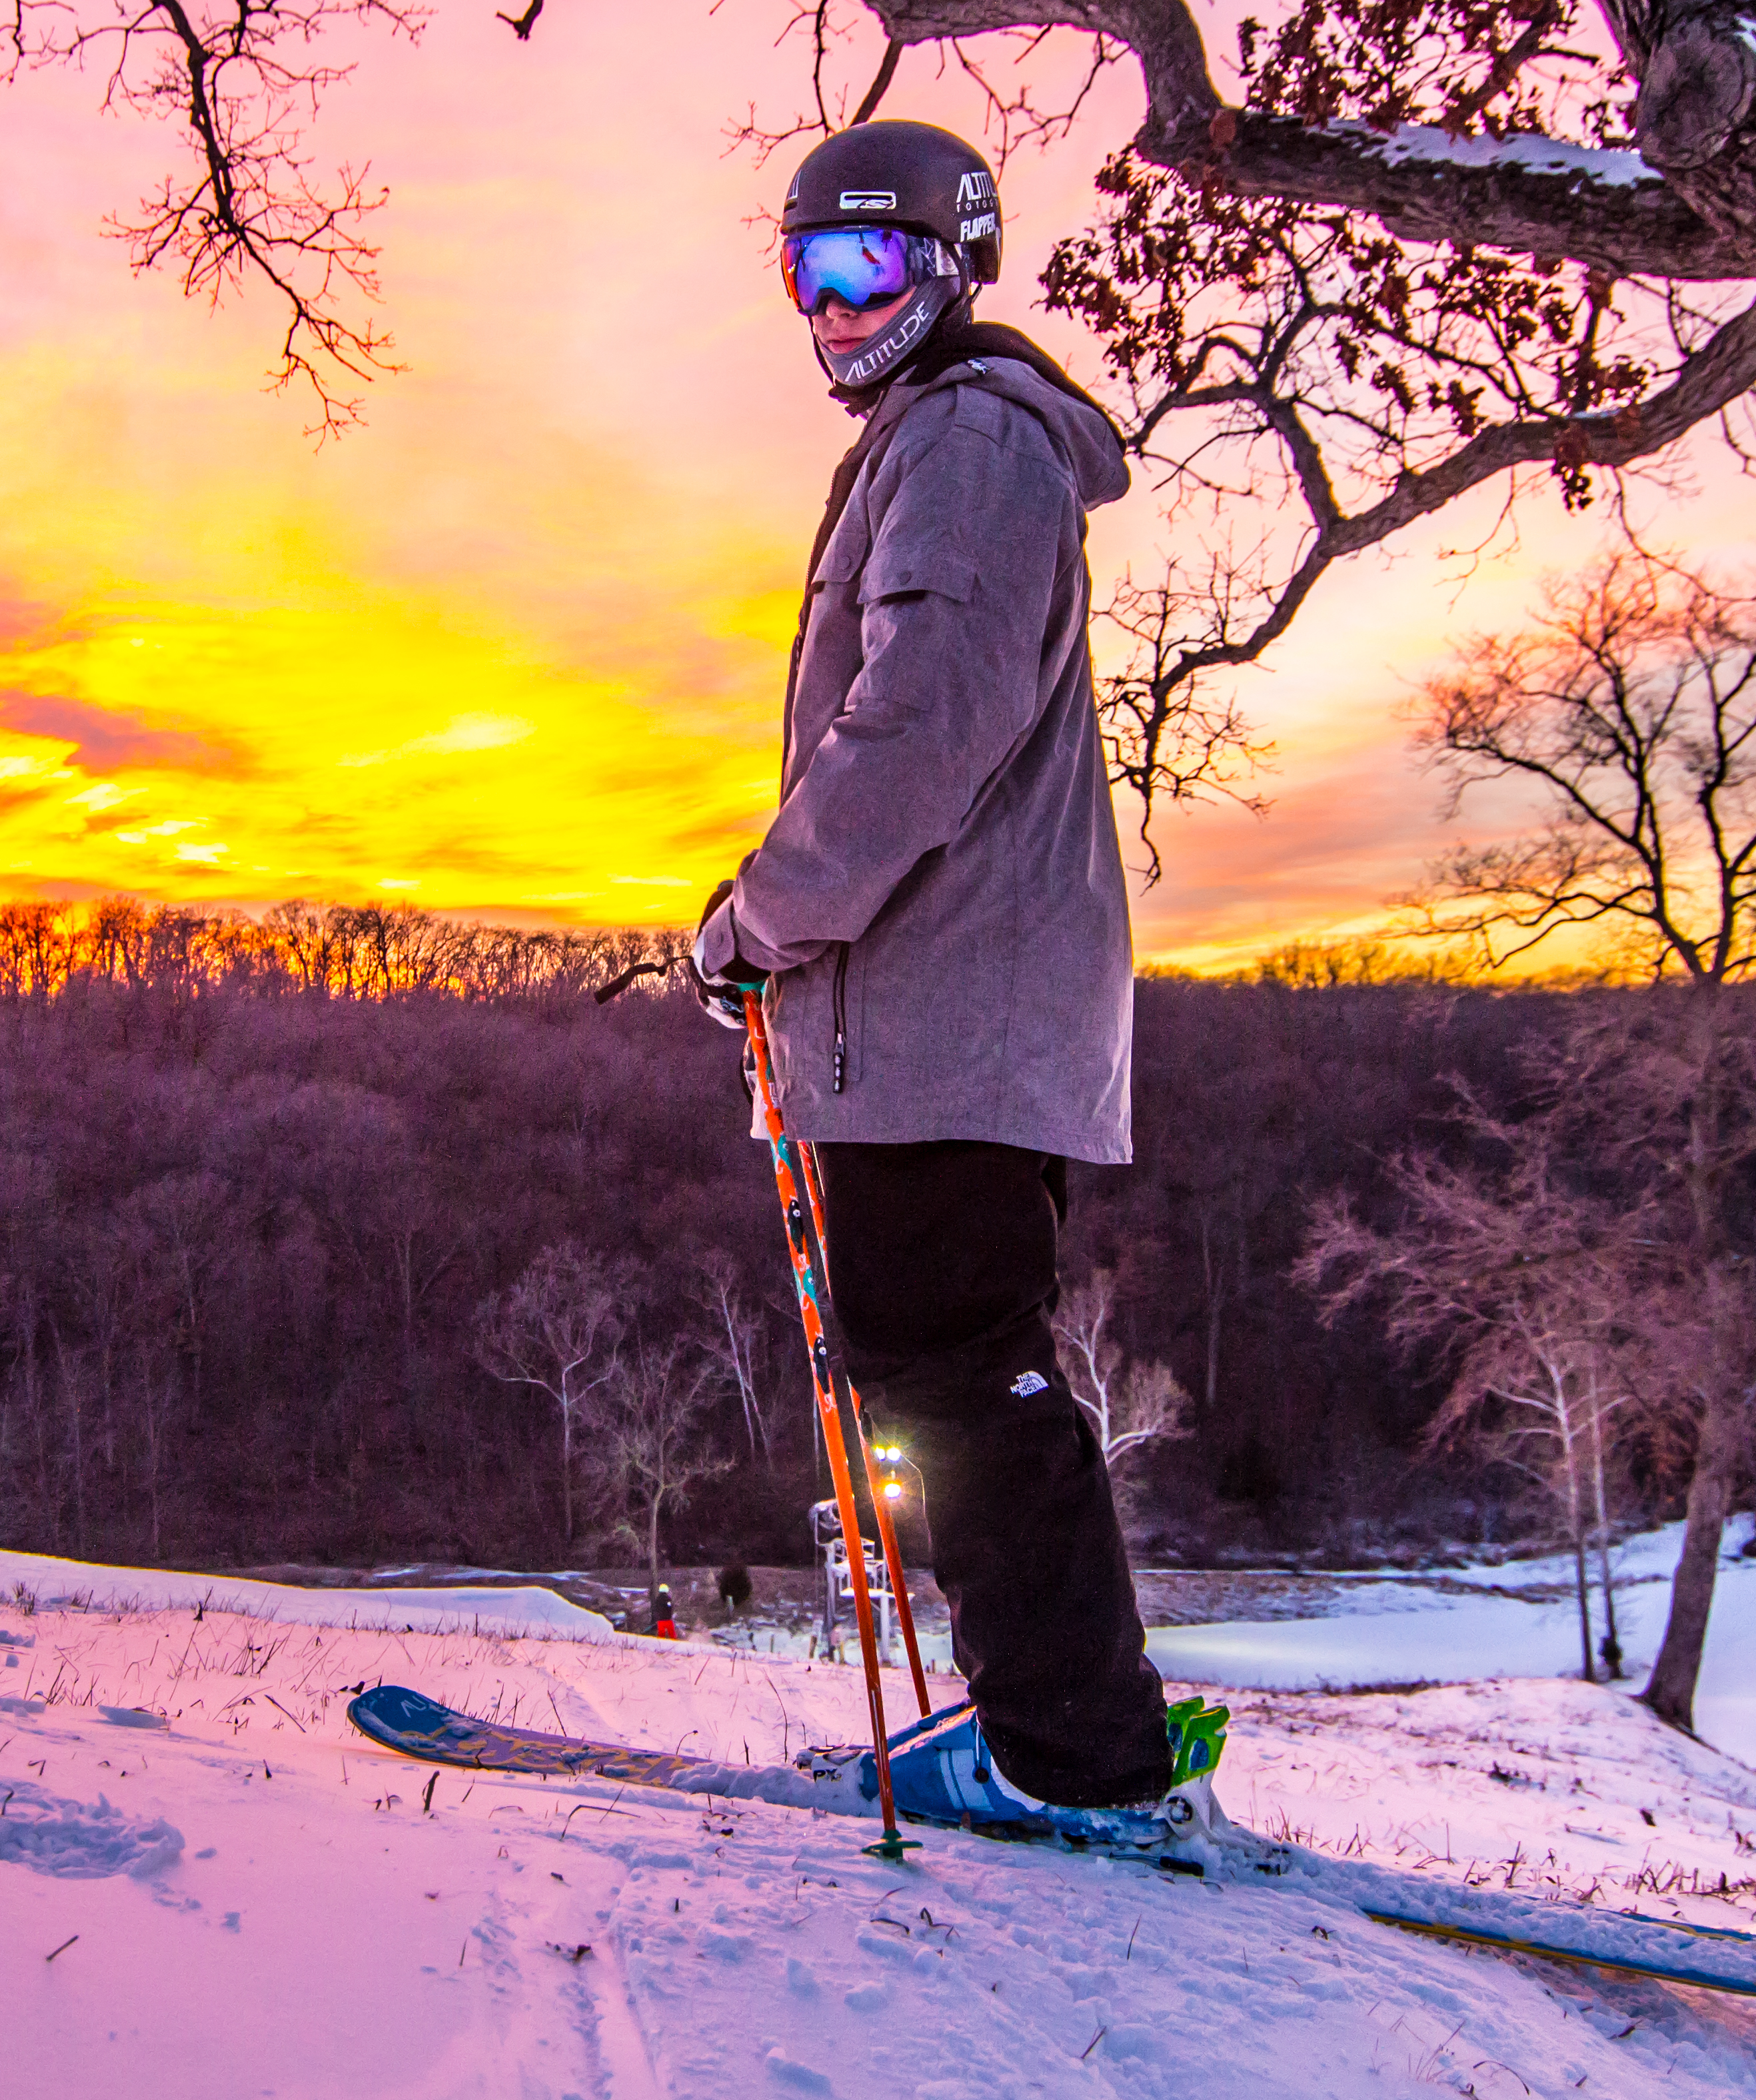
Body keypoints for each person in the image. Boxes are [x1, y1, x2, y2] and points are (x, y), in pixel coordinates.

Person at [689, 120, 1176, 1824]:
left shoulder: (970, 438)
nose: (833, 311)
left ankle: (1076, 1758)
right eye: (807, 278)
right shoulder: (937, 438)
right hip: (931, 1014)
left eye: (867, 271)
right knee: (950, 1357)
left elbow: (915, 733)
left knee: (959, 1364)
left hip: (950, 1011)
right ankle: (1062, 1729)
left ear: (950, 265)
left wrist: (762, 915)